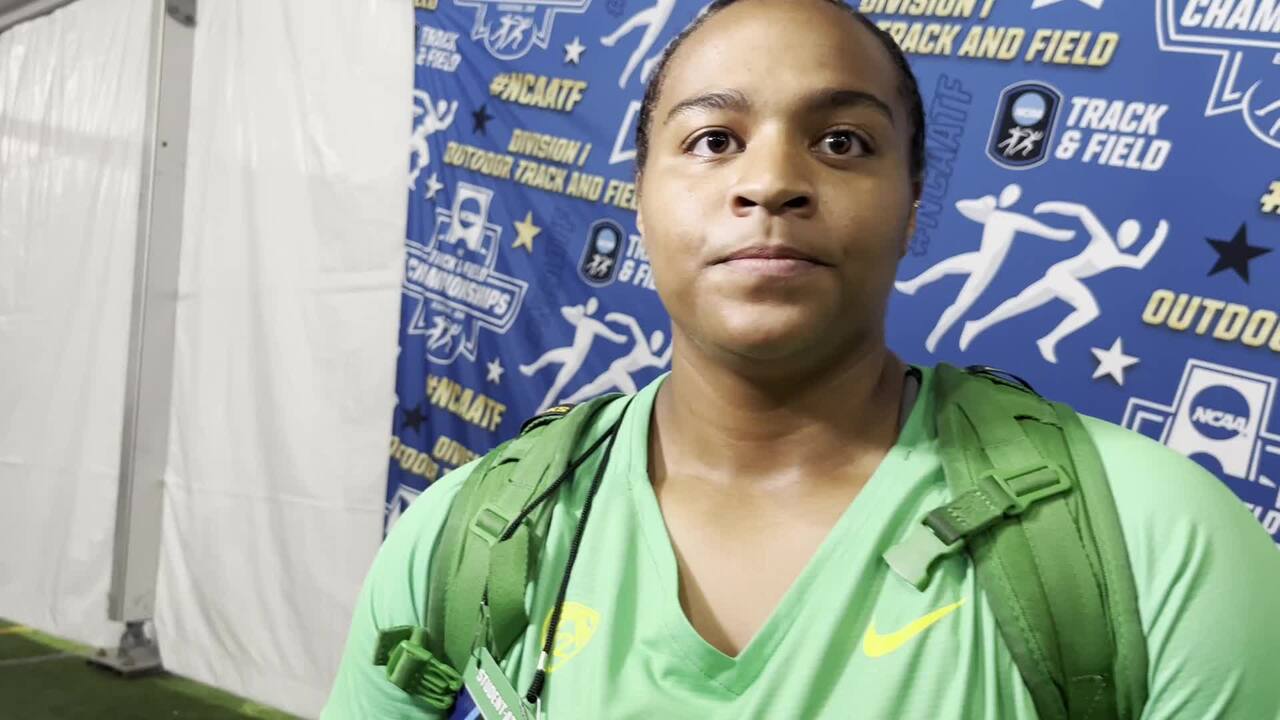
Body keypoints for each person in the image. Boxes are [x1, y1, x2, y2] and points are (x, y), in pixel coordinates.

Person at [322, 1, 1280, 717]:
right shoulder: (466, 537)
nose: (772, 180)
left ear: (912, 207)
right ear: (641, 197)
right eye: (712, 140)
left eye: (843, 141)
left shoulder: (1158, 542)